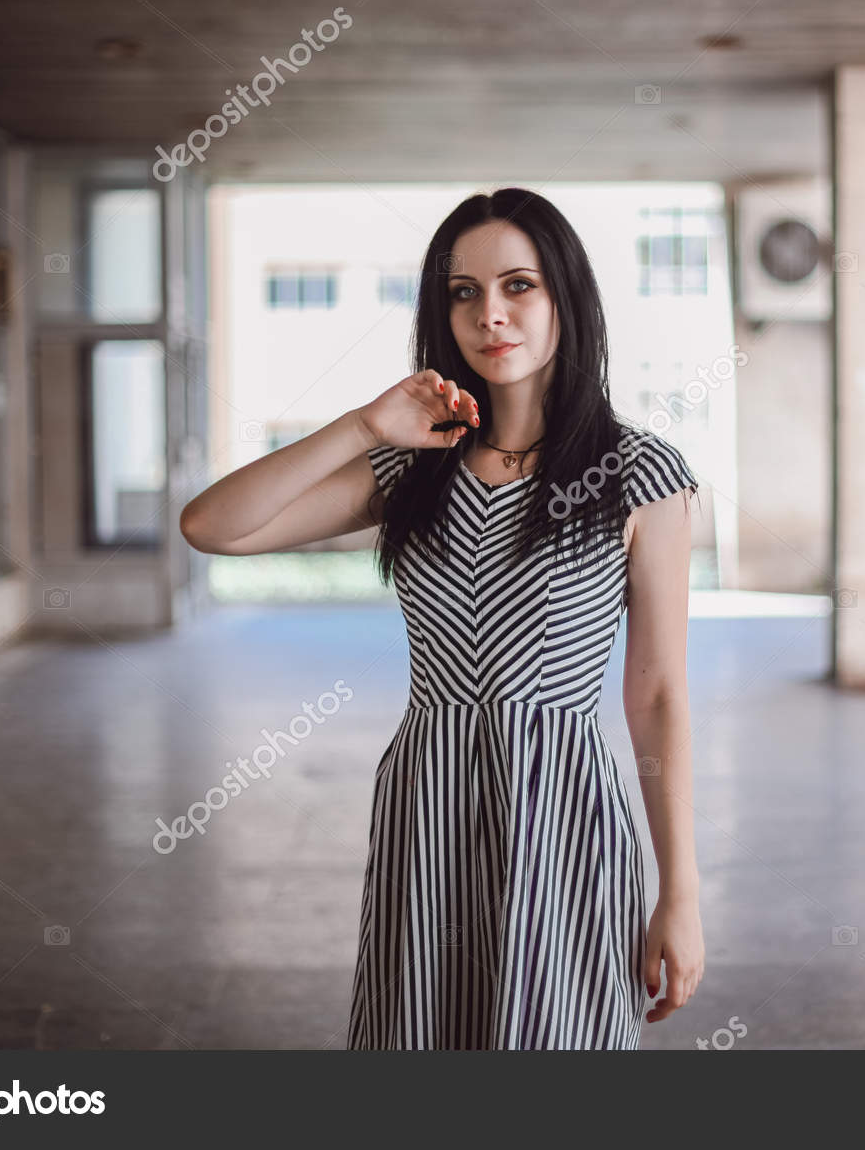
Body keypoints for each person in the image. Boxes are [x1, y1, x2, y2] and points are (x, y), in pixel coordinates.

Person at [180, 187, 704, 1049]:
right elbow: (211, 526)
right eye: (464, 293)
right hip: (428, 806)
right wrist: (360, 426)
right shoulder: (413, 468)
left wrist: (679, 892)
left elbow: (657, 696)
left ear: (565, 296)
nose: (490, 314)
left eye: (518, 286)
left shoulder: (637, 472)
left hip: (562, 812)